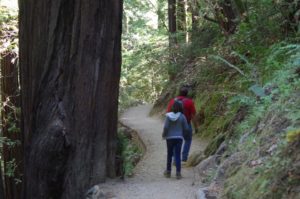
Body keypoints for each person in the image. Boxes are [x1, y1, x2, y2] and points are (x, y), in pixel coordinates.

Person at [166, 86, 196, 162]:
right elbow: (193, 115)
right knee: (188, 140)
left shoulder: (173, 101)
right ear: (187, 93)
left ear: (179, 92)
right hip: (186, 124)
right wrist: (196, 126)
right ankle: (184, 157)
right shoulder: (190, 102)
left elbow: (168, 113)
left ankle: (175, 159)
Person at [162, 100, 189, 179]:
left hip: (169, 138)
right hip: (179, 138)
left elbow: (166, 127)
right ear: (181, 108)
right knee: (177, 155)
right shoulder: (182, 116)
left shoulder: (168, 116)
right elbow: (186, 128)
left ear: (173, 107)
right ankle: (178, 173)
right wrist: (184, 134)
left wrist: (164, 134)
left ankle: (168, 172)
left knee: (169, 154)